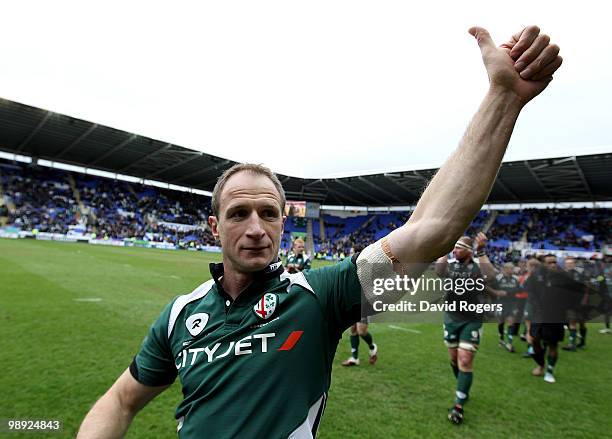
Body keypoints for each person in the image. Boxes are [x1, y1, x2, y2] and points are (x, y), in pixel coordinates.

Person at [77, 25, 563, 437]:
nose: (255, 228)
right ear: (213, 226)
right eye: (238, 213)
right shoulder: (180, 316)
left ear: (284, 223)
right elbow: (120, 401)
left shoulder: (320, 295)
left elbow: (433, 228)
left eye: (268, 214)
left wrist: (503, 100)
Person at [435, 232, 503, 425]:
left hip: (472, 319)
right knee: (454, 359)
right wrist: (445, 247)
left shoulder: (477, 267)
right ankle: (462, 388)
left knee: (465, 360)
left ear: (468, 251)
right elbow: (439, 271)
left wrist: (481, 251)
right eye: (453, 247)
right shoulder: (451, 265)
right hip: (451, 317)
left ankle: (459, 404)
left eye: (457, 248)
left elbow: (491, 276)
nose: (454, 250)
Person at [524, 254, 583, 384]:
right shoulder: (536, 276)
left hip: (557, 315)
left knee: (553, 344)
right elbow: (530, 291)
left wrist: (568, 308)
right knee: (534, 341)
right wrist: (536, 305)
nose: (553, 265)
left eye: (554, 262)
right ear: (543, 264)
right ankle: (541, 365)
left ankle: (550, 371)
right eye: (549, 262)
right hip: (539, 314)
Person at [561, 257, 589, 351]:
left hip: (579, 302)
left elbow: (586, 288)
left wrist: (585, 300)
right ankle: (575, 342)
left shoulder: (580, 274)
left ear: (574, 264)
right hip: (569, 303)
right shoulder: (564, 274)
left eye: (570, 263)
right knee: (572, 322)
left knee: (581, 323)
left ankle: (578, 342)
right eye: (567, 263)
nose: (568, 265)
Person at [494, 262, 521, 352]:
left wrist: (509, 293)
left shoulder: (515, 279)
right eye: (509, 268)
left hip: (512, 303)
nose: (511, 270)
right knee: (501, 322)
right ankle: (501, 338)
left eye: (512, 268)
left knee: (510, 322)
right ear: (505, 269)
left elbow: (519, 290)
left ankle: (509, 343)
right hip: (500, 302)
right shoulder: (498, 278)